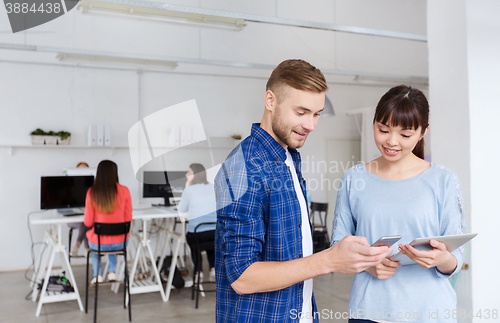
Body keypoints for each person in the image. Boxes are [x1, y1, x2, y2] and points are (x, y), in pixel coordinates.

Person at [214, 59, 392, 323]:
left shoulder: (288, 157)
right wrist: (329, 260)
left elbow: (293, 256)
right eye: (301, 112)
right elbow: (242, 277)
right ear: (270, 101)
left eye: (316, 114)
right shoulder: (242, 168)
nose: (311, 125)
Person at [332, 85, 465, 323]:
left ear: (423, 133)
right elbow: (338, 246)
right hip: (369, 311)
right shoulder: (355, 178)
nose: (392, 142)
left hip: (430, 313)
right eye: (383, 130)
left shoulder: (443, 180)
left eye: (405, 135)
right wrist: (368, 265)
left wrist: (442, 260)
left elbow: (455, 257)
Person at [84, 160, 132, 284]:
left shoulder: (92, 192)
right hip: (120, 244)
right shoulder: (125, 190)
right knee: (115, 235)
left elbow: (88, 222)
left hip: (99, 244)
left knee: (95, 241)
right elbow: (128, 219)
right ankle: (112, 272)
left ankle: (98, 274)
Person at [177, 163, 217, 283]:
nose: (186, 175)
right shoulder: (214, 187)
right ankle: (213, 268)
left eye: (188, 173)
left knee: (193, 240)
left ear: (195, 175)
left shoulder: (189, 190)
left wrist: (187, 186)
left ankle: (198, 271)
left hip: (197, 234)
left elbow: (181, 210)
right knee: (211, 241)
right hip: (215, 232)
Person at [69, 161, 91, 257]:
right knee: (86, 222)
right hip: (73, 219)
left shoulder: (92, 188)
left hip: (87, 218)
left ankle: (78, 246)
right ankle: (86, 248)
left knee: (87, 221)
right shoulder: (71, 187)